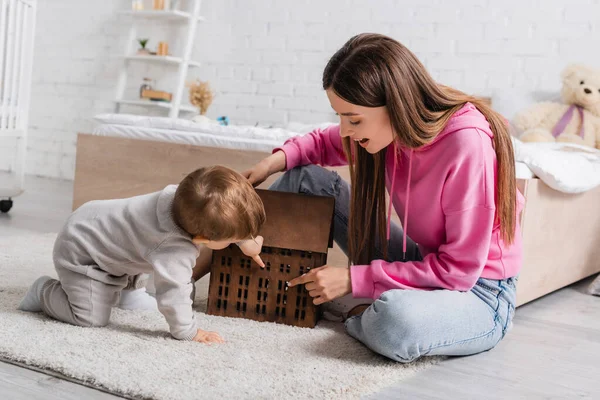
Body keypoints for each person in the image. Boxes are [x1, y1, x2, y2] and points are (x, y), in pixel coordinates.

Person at [243, 33, 524, 363]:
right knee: (305, 178)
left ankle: (367, 313)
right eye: (340, 117)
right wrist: (271, 163)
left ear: (394, 105)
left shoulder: (467, 145)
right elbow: (322, 142)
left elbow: (457, 273)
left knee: (396, 323)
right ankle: (236, 265)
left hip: (478, 294)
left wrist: (354, 280)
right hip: (421, 260)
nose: (346, 130)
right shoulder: (393, 131)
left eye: (354, 119)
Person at [18, 166, 266, 344]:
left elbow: (221, 213)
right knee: (90, 317)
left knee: (139, 248)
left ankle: (128, 294)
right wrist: (189, 332)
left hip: (104, 232)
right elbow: (174, 293)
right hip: (82, 251)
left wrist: (245, 239)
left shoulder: (183, 198)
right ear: (202, 240)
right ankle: (44, 291)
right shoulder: (174, 249)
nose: (236, 242)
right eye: (232, 240)